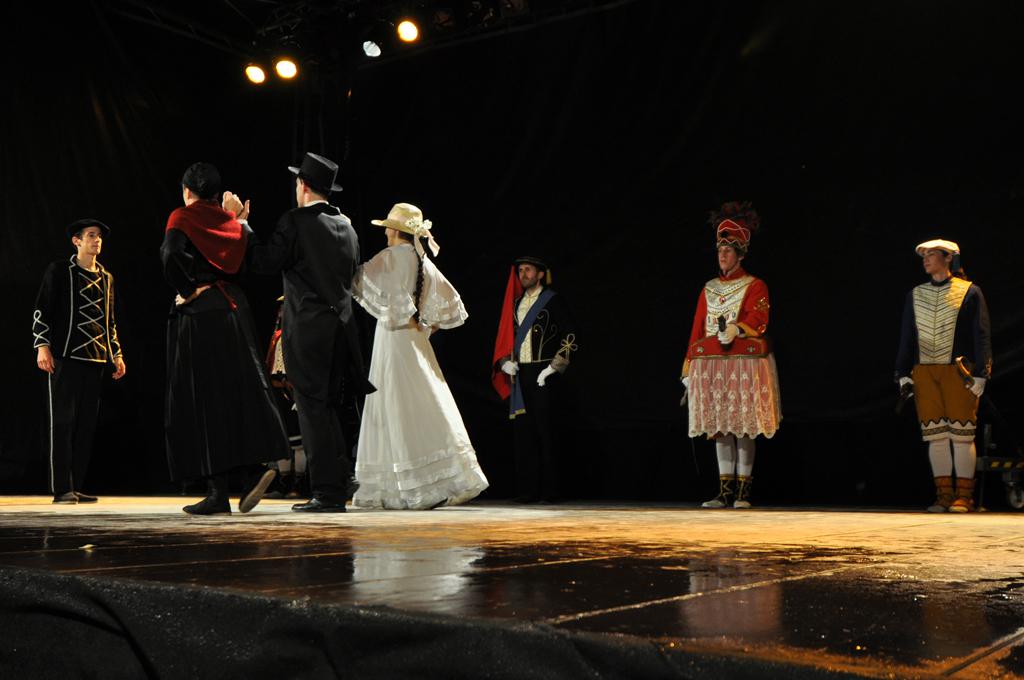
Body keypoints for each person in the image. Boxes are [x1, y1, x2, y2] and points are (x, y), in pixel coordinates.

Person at [228, 152, 373, 513]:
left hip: (309, 330)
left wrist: (243, 225)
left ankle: (327, 492)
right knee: (331, 408)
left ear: (303, 185)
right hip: (341, 329)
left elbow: (264, 261)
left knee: (312, 409)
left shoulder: (296, 221)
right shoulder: (347, 227)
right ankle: (337, 482)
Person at [161, 162, 288, 515]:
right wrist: (239, 220)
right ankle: (254, 471)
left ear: (187, 191)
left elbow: (170, 255)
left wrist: (187, 289)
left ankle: (218, 492)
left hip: (201, 314)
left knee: (205, 399)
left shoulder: (182, 217)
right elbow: (250, 260)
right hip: (235, 309)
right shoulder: (232, 223)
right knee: (239, 392)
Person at [350, 203, 488, 509]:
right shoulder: (422, 260)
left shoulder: (391, 257)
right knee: (423, 400)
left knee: (393, 404)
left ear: (395, 230)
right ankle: (428, 482)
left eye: (388, 226)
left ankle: (407, 488)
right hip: (414, 340)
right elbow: (451, 302)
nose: (385, 231)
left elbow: (355, 279)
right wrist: (425, 326)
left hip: (393, 338)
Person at [680, 202, 782, 509]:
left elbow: (759, 317)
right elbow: (698, 327)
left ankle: (743, 492)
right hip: (712, 365)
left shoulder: (755, 285)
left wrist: (738, 328)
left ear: (740, 254)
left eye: (728, 251)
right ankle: (724, 490)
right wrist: (687, 367)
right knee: (721, 426)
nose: (722, 255)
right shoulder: (708, 288)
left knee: (743, 425)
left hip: (743, 364)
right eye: (720, 251)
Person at [32, 219, 126, 504]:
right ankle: (62, 488)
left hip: (95, 359)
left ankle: (76, 485)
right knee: (62, 423)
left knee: (85, 426)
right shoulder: (60, 271)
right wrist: (42, 346)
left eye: (99, 237)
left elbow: (109, 322)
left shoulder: (107, 278)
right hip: (65, 357)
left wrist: (117, 354)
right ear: (77, 241)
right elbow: (42, 309)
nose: (97, 240)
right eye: (91, 235)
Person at [895, 239, 991, 513]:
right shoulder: (915, 294)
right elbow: (907, 336)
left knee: (961, 435)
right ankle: (944, 495)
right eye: (923, 255)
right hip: (924, 371)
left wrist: (982, 373)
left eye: (931, 254)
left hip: (958, 371)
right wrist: (903, 372)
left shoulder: (970, 292)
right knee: (935, 435)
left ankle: (964, 495)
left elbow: (981, 335)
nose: (925, 259)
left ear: (948, 258)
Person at [494, 256, 577, 503]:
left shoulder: (552, 300)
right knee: (524, 434)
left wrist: (553, 367)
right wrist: (504, 362)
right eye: (520, 270)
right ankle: (527, 491)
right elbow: (507, 338)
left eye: (528, 270)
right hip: (520, 374)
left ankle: (551, 491)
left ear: (540, 274)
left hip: (544, 374)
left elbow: (571, 335)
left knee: (546, 432)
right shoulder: (516, 303)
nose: (523, 274)